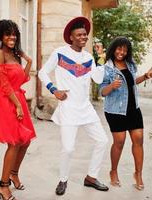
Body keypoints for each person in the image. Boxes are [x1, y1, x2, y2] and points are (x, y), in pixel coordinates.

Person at [38, 16, 109, 196]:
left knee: (102, 140)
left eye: (85, 34)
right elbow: (42, 72)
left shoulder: (88, 57)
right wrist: (54, 90)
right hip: (68, 108)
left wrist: (100, 57)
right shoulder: (60, 53)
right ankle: (63, 180)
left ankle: (91, 177)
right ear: (71, 37)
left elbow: (98, 79)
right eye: (79, 35)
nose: (83, 37)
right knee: (68, 148)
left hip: (85, 108)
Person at [0, 19, 36, 200]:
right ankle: (3, 186)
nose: (12, 37)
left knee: (26, 141)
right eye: (8, 33)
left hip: (17, 99)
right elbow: (3, 83)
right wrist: (18, 104)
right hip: (7, 101)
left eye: (14, 33)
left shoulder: (15, 56)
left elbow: (21, 79)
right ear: (1, 36)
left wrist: (28, 59)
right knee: (14, 142)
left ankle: (13, 173)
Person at [99, 36, 152, 190]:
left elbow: (132, 82)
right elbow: (102, 92)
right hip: (115, 110)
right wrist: (112, 86)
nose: (122, 52)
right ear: (114, 48)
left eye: (125, 49)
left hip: (133, 108)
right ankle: (113, 171)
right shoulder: (106, 67)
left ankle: (138, 174)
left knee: (138, 140)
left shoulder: (130, 64)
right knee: (120, 142)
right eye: (119, 48)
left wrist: (145, 76)